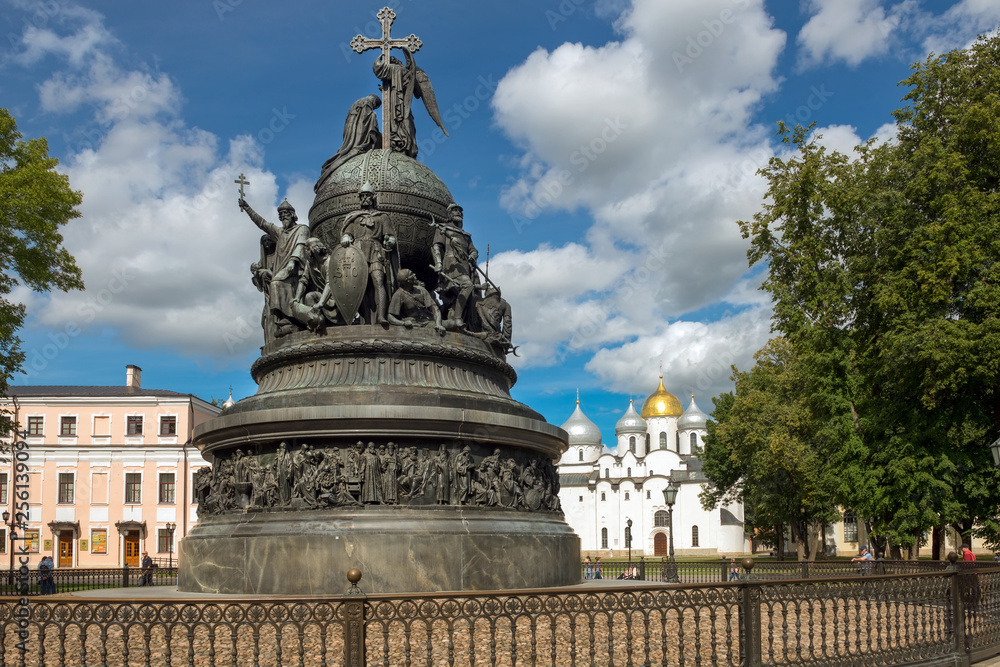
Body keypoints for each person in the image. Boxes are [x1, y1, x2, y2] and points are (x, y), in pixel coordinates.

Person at [239, 198, 309, 337]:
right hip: (282, 270)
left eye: (286, 213)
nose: (283, 217)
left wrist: (292, 262)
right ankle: (285, 320)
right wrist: (247, 208)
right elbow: (262, 223)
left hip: (295, 270)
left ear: (293, 214)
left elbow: (300, 245)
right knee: (276, 285)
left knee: (276, 284)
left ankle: (291, 319)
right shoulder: (279, 232)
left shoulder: (302, 229)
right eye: (281, 215)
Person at [432, 203, 478, 328]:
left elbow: (473, 250)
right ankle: (457, 318)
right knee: (467, 285)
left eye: (460, 211)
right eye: (455, 210)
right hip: (451, 265)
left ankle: (453, 318)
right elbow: (437, 246)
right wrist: (438, 263)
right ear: (449, 214)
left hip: (464, 267)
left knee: (460, 296)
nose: (458, 213)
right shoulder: (443, 228)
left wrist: (472, 256)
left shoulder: (465, 235)